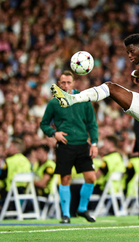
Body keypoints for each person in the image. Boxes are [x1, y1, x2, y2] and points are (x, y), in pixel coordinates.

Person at [51, 34, 139, 226]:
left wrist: (135, 74)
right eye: (127, 52)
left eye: (131, 51)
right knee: (111, 87)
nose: (129, 56)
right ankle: (72, 98)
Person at [41, 70, 99, 224]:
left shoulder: (83, 99)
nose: (65, 85)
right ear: (59, 84)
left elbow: (92, 123)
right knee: (65, 179)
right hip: (65, 145)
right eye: (63, 83)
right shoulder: (54, 102)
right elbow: (44, 124)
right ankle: (66, 215)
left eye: (68, 82)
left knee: (91, 177)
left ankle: (82, 208)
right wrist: (54, 134)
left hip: (82, 145)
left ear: (74, 83)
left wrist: (94, 143)